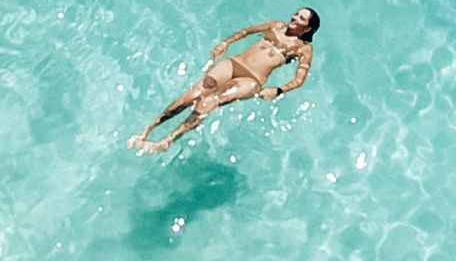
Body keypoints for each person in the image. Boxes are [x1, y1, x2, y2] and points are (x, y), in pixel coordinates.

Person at [129, 8, 318, 153]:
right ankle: (146, 131)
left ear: (308, 28)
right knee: (191, 95)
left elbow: (299, 79)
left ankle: (166, 141)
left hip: (251, 80)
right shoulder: (276, 26)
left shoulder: (304, 49)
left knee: (209, 101)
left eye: (301, 18)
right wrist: (225, 43)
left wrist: (278, 90)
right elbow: (247, 31)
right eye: (296, 14)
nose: (294, 18)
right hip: (233, 64)